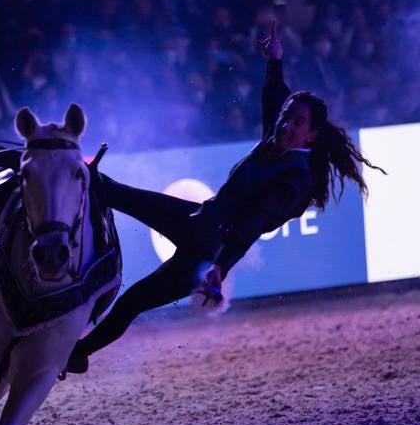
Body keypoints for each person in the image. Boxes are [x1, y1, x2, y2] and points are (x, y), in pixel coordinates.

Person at [64, 21, 385, 375]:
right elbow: (276, 96)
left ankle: (76, 354)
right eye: (286, 118)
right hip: (199, 217)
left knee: (132, 302)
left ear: (310, 136)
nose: (286, 124)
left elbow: (255, 223)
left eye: (297, 123)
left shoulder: (296, 179)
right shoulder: (276, 140)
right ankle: (52, 167)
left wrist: (221, 266)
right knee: (111, 190)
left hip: (209, 251)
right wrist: (274, 60)